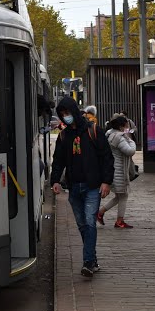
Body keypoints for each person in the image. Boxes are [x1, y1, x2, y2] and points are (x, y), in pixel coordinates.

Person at [48, 96, 113, 278]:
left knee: (90, 222)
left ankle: (87, 263)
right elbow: (58, 160)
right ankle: (92, 259)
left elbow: (107, 157)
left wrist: (106, 181)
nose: (65, 117)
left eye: (67, 113)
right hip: (74, 186)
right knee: (82, 225)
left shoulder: (93, 131)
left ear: (74, 111)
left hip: (93, 186)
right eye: (62, 115)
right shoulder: (63, 135)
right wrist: (55, 180)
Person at [96, 113, 137, 228]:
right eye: (126, 125)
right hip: (119, 171)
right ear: (121, 126)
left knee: (120, 196)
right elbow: (130, 151)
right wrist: (132, 142)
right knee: (123, 195)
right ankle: (118, 221)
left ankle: (101, 213)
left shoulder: (111, 134)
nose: (127, 128)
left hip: (115, 169)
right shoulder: (119, 137)